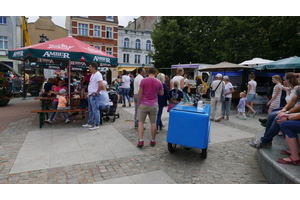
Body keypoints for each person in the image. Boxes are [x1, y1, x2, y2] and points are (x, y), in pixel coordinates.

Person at [137, 67, 164, 147]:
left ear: (148, 73)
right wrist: (156, 91)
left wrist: (138, 102)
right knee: (153, 123)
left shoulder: (143, 80)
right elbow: (161, 93)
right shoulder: (159, 82)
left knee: (141, 122)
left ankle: (141, 140)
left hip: (144, 104)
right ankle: (152, 140)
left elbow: (140, 93)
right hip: (154, 104)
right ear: (156, 73)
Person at [82, 62, 104, 131]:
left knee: (95, 110)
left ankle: (96, 124)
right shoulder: (93, 74)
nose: (89, 68)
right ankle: (89, 122)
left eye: (90, 67)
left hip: (94, 95)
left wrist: (96, 93)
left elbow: (101, 85)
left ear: (93, 67)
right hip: (91, 95)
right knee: (90, 110)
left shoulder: (98, 74)